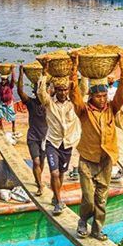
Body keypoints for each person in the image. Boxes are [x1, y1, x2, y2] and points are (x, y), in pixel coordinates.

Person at [69, 51, 123, 241]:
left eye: (104, 95)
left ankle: (97, 229)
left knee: (101, 199)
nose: (103, 99)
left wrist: (122, 66)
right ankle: (82, 221)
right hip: (87, 159)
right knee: (88, 197)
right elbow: (74, 93)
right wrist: (74, 67)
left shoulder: (112, 109)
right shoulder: (83, 111)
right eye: (99, 96)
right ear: (92, 97)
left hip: (105, 160)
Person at [37, 59, 81, 216]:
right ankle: (59, 201)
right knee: (54, 173)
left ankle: (56, 196)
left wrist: (76, 67)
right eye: (60, 90)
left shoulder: (74, 103)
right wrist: (44, 73)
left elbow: (83, 88)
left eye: (65, 90)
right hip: (52, 143)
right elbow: (40, 92)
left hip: (67, 144)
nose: (63, 93)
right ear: (55, 90)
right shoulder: (49, 103)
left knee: (61, 174)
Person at [17, 65, 48, 197]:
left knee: (41, 162)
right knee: (35, 161)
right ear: (35, 92)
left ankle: (38, 179)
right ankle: (40, 184)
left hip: (46, 138)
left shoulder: (49, 103)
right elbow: (19, 91)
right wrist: (21, 74)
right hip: (33, 137)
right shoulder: (31, 103)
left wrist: (45, 70)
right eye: (37, 91)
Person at [0, 65, 20, 141]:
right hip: (2, 104)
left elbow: (13, 79)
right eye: (2, 80)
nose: (3, 81)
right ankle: (1, 127)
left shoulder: (10, 85)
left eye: (4, 80)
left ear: (7, 80)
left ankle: (13, 127)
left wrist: (13, 69)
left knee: (12, 116)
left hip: (9, 103)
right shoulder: (0, 85)